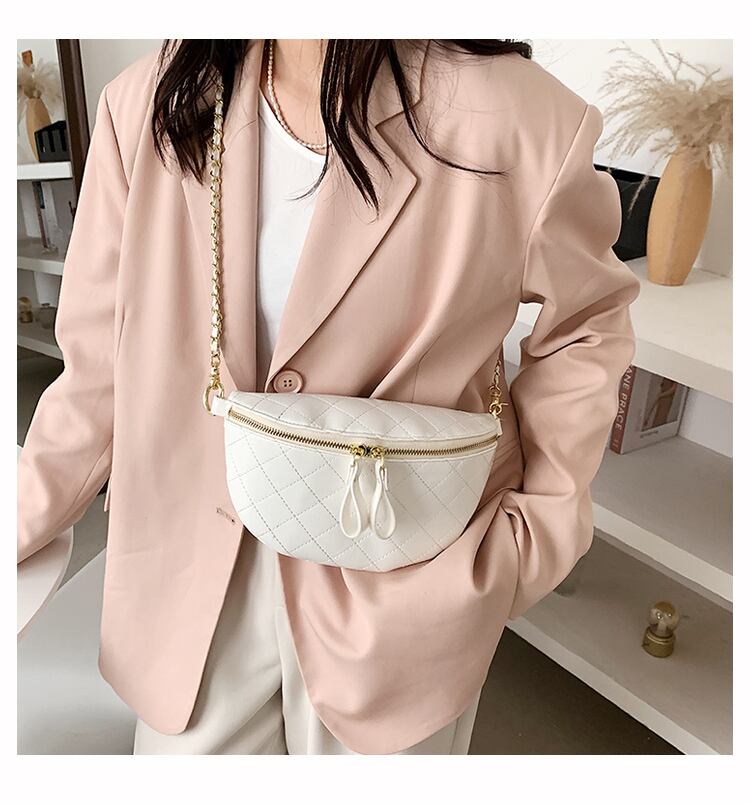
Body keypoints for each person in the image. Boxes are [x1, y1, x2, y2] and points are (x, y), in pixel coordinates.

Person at [17, 39, 640, 755]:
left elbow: (586, 325)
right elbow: (98, 369)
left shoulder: (516, 116)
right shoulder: (149, 105)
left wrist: (539, 528)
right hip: (194, 577)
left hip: (405, 569)